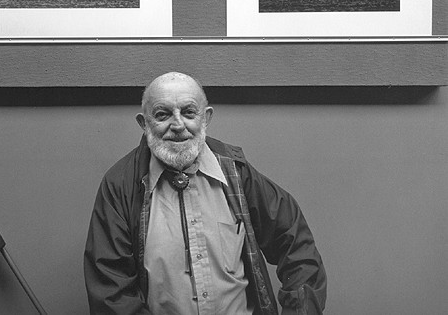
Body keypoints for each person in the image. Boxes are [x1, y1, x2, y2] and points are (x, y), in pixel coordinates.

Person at [84, 72, 326, 315]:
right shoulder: (120, 186)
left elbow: (297, 246)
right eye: (162, 114)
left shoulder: (237, 173)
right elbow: (111, 293)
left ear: (206, 118)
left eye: (189, 112)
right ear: (144, 123)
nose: (178, 125)